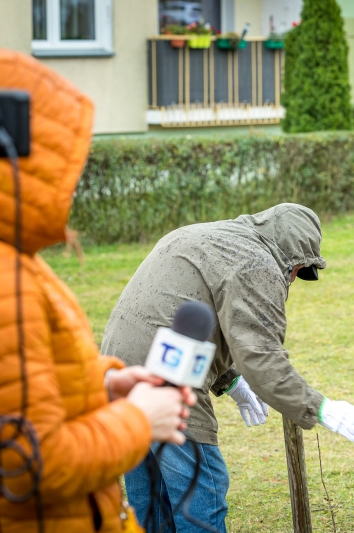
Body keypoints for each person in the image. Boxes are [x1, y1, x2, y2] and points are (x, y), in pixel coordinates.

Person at [0, 50, 194, 533]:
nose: (72, 184)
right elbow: (27, 462)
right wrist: (138, 421)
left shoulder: (18, 261)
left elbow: (27, 391)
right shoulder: (7, 279)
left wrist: (104, 387)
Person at [100, 203, 354, 532]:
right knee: (201, 492)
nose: (295, 279)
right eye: (300, 271)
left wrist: (230, 382)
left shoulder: (213, 236)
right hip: (165, 373)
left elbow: (196, 311)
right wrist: (320, 408)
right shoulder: (257, 262)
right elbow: (260, 353)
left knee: (150, 503)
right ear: (293, 259)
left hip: (119, 373)